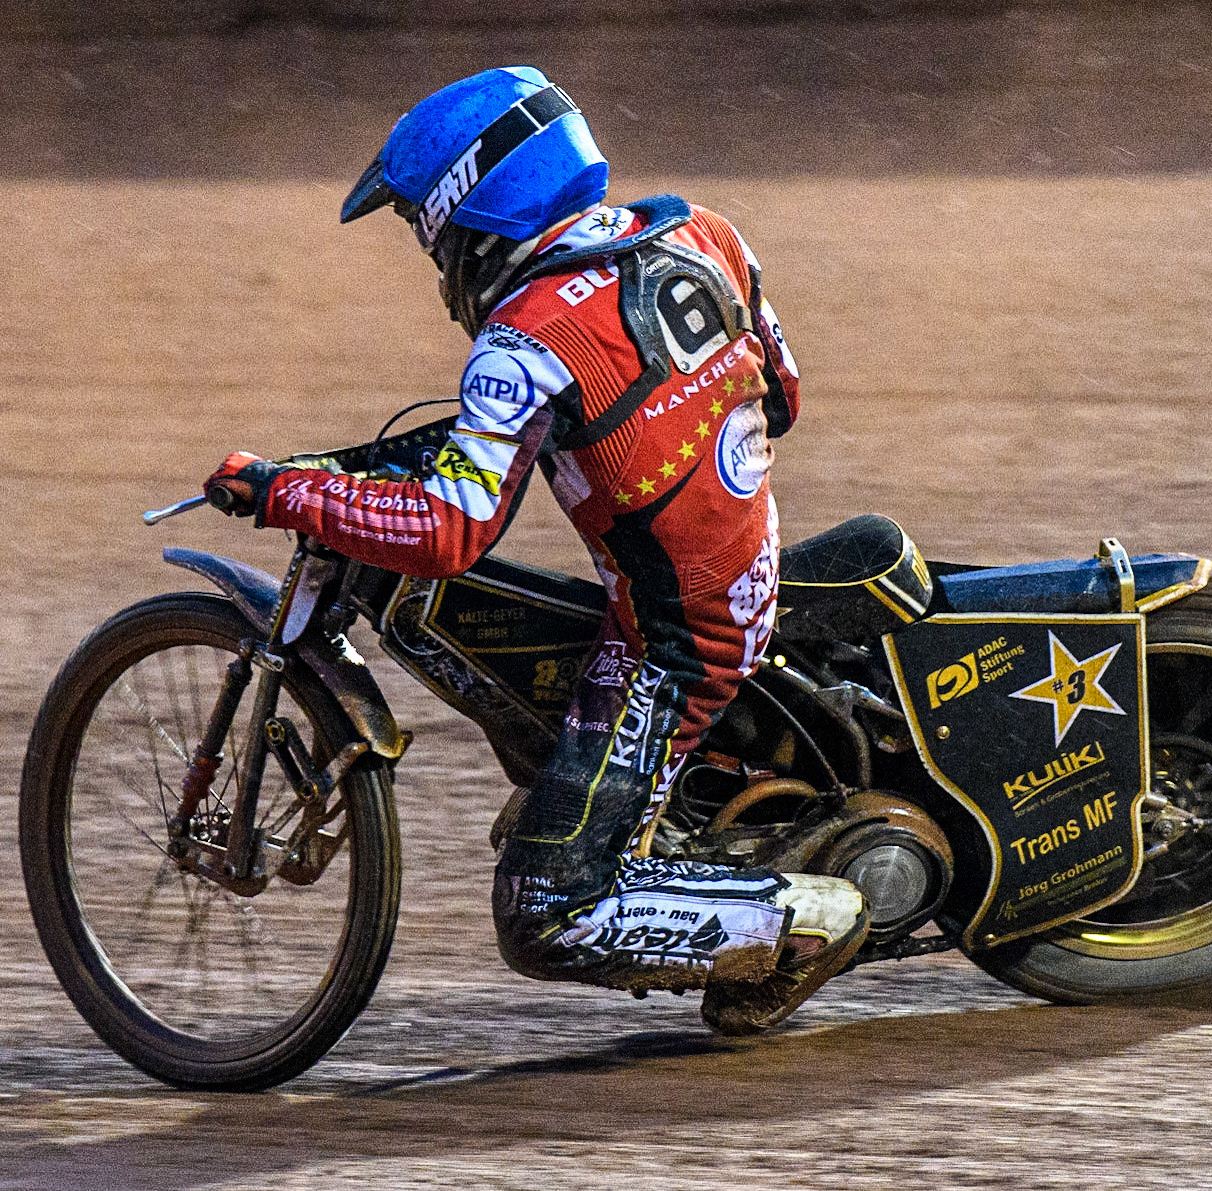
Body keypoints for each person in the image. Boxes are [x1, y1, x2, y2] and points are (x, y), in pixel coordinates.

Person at [204, 67, 866, 1034]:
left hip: (675, 645)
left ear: (471, 213)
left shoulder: (520, 341)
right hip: (743, 567)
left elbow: (447, 532)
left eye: (428, 242)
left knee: (543, 911)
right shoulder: (705, 232)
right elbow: (786, 396)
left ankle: (812, 917)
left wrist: (285, 491)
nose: (438, 279)